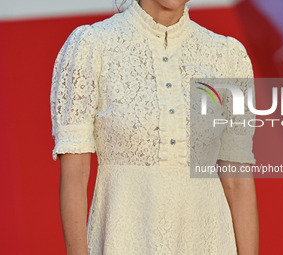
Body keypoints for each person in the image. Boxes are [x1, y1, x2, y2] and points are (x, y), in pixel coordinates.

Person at [50, 0, 259, 254]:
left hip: (208, 242)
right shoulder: (92, 46)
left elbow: (237, 181)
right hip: (124, 241)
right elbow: (75, 173)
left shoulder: (227, 57)